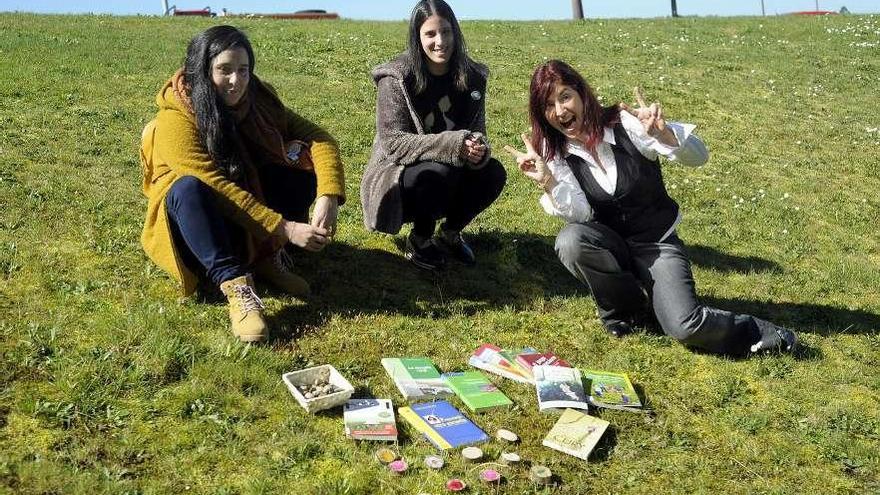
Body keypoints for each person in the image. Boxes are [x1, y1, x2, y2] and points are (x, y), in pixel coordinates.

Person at [506, 60, 796, 356]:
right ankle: (627, 311)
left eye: (565, 96)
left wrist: (665, 135)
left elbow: (699, 157)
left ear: (582, 93)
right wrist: (549, 182)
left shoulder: (625, 123)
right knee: (570, 241)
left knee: (685, 326)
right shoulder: (556, 155)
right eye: (549, 105)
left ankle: (764, 334)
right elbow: (580, 215)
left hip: (657, 245)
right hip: (612, 247)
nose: (560, 111)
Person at [140, 26, 345, 342]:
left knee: (299, 159)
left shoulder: (258, 102)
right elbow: (218, 188)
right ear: (203, 70)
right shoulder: (176, 117)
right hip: (199, 228)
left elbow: (318, 137)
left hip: (246, 217)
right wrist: (286, 228)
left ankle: (263, 257)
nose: (236, 81)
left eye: (243, 70)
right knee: (188, 188)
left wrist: (328, 195)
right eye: (224, 70)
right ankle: (235, 285)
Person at [360, 0, 507, 270]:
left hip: (450, 170)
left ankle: (450, 233)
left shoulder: (472, 77)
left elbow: (477, 130)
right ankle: (420, 240)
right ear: (417, 37)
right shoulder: (396, 78)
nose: (440, 41)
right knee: (441, 170)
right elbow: (394, 144)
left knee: (494, 173)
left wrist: (478, 149)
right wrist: (454, 144)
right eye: (430, 34)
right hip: (399, 175)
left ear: (456, 33)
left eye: (446, 32)